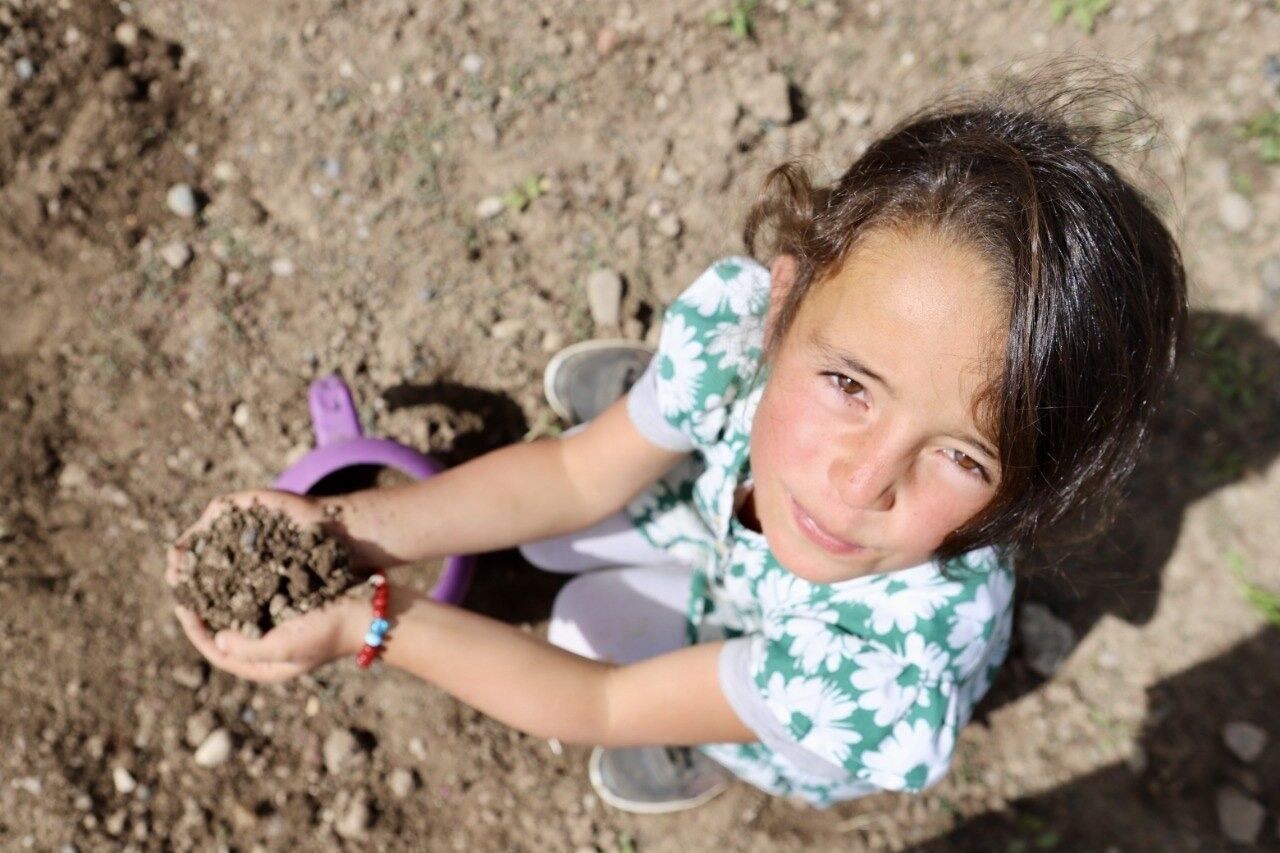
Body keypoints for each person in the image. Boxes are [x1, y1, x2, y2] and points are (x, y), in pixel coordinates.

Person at [168, 65, 1187, 814]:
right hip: (722, 529)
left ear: (1026, 495)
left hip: (790, 670)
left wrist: (368, 623)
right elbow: (569, 473)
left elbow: (601, 705)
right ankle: (665, 414)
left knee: (584, 631)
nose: (860, 479)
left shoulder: (871, 675)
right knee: (561, 516)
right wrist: (335, 532)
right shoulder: (739, 335)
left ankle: (711, 742)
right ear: (783, 301)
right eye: (844, 384)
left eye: (963, 457)